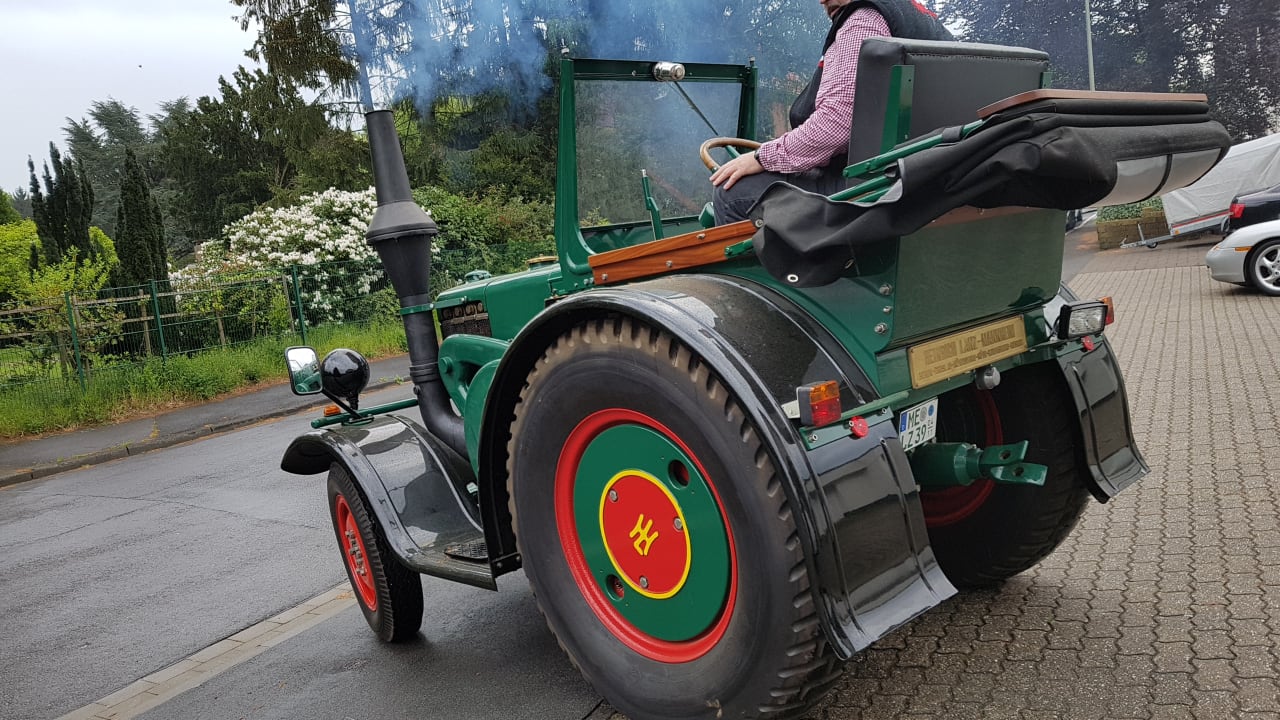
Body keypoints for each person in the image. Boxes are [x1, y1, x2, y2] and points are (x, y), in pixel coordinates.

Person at [710, 0, 952, 224]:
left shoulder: (862, 21)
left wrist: (760, 157)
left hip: (869, 190)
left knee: (731, 191)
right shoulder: (918, 19)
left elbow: (835, 124)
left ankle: (780, 270)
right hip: (919, 181)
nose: (822, 0)